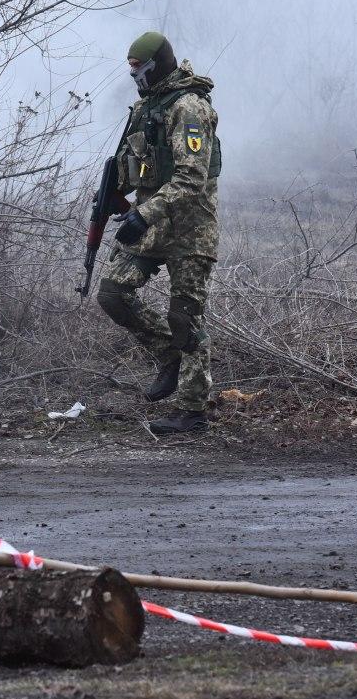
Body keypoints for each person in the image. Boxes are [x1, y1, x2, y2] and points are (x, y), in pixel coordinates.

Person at [96, 31, 221, 435]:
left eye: (140, 68)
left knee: (185, 317)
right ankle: (167, 354)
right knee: (113, 294)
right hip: (152, 224)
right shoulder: (146, 107)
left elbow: (191, 177)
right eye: (131, 69)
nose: (135, 76)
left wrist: (144, 213)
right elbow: (137, 165)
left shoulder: (189, 107)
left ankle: (192, 412)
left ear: (158, 64)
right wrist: (115, 192)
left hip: (189, 229)